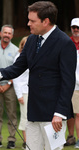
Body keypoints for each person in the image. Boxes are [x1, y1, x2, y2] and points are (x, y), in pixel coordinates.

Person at [0, 1, 77, 150]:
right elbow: (18, 67)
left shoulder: (65, 43)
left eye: (32, 21)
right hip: (33, 109)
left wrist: (59, 113)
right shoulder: (31, 40)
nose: (28, 23)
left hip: (54, 114)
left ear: (46, 21)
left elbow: (68, 81)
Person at [0, 24, 18, 149]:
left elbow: (17, 70)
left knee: (12, 114)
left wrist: (8, 84)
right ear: (1, 34)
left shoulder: (16, 50)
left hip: (10, 86)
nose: (7, 35)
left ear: (12, 35)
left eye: (9, 33)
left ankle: (11, 139)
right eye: (5, 32)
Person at [65, 18, 79, 148]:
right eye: (74, 27)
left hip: (78, 84)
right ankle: (70, 137)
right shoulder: (67, 43)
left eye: (78, 28)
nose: (76, 30)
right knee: (69, 112)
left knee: (78, 112)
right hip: (68, 83)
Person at [13, 36, 28, 149]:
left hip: (34, 92)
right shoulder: (19, 57)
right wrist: (19, 95)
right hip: (24, 92)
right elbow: (16, 78)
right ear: (22, 45)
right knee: (25, 118)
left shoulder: (34, 56)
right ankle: (26, 142)